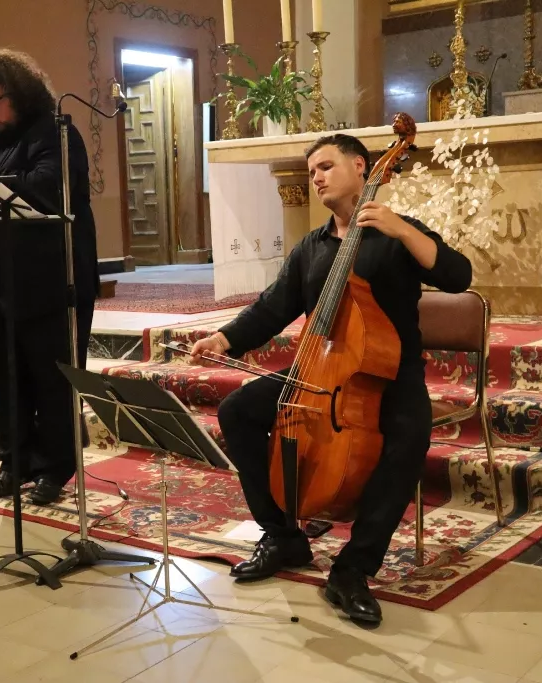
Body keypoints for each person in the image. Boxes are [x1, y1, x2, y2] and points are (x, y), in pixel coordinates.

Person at [189, 134, 472, 626]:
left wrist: (403, 229)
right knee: (239, 410)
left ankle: (353, 569)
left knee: (408, 439)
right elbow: (273, 307)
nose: (316, 177)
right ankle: (283, 536)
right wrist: (224, 338)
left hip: (391, 373)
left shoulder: (396, 234)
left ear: (362, 166)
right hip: (320, 370)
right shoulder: (312, 246)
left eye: (325, 166)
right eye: (311, 171)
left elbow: (457, 276)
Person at [0, 48, 100, 505]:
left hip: (51, 280)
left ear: (20, 92)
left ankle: (55, 468)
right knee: (6, 381)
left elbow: (51, 192)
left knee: (52, 382)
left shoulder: (56, 131)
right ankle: (14, 464)